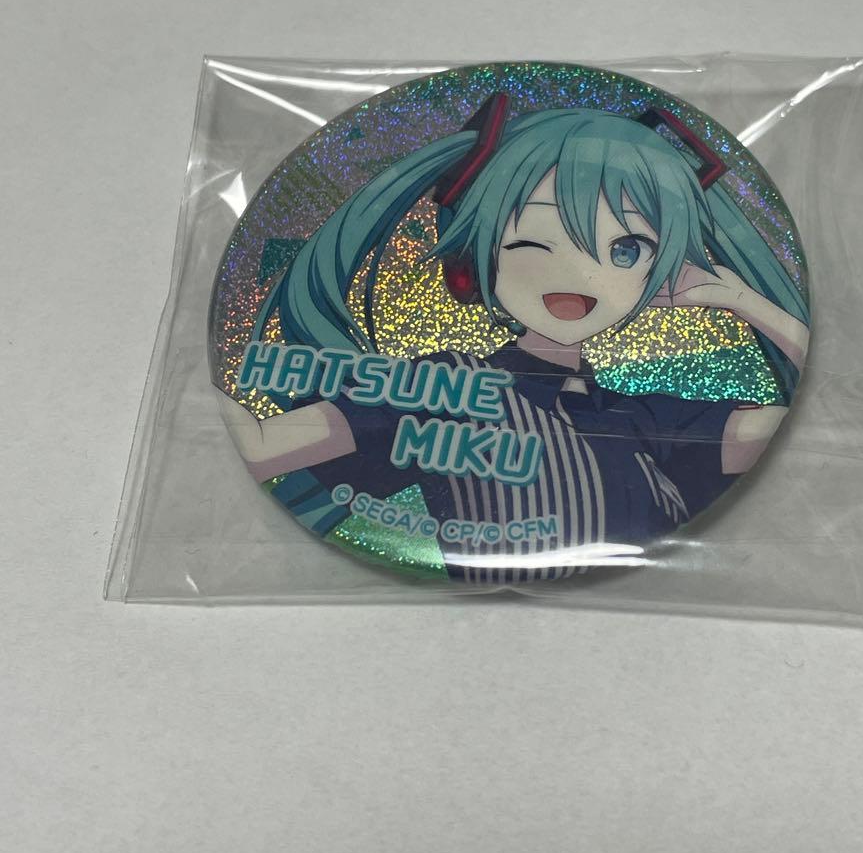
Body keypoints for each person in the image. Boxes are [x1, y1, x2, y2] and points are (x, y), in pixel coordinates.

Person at [218, 100, 810, 581]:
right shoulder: (443, 389)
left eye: (625, 250)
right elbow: (267, 443)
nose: (579, 274)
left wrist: (743, 301)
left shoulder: (636, 418)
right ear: (477, 259)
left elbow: (779, 412)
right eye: (535, 238)